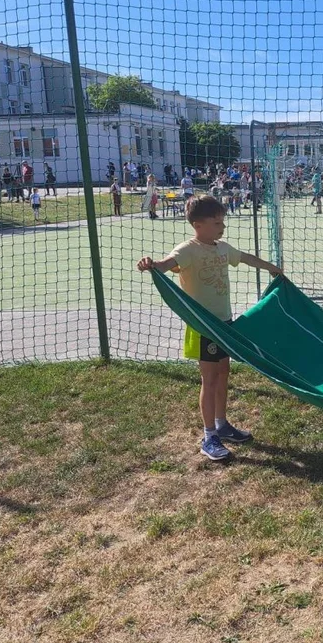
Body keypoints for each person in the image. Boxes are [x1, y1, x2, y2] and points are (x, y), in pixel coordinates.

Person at [136, 196, 282, 461]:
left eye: (222, 222)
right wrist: (151, 264)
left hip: (224, 323)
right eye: (217, 222)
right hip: (204, 326)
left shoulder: (222, 248)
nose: (222, 227)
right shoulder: (187, 250)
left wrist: (271, 268)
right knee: (210, 378)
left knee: (223, 372)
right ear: (197, 224)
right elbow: (167, 264)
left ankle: (222, 424)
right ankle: (209, 436)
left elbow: (245, 258)